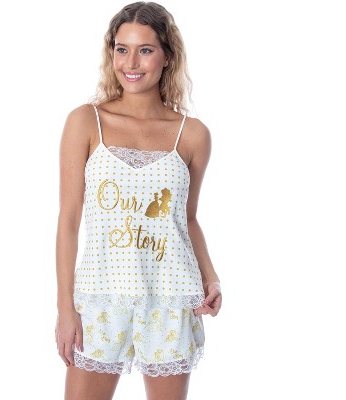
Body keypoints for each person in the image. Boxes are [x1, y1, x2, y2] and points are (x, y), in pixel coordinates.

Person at [55, 2, 222, 399]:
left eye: (145, 50)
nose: (131, 63)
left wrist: (211, 278)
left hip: (169, 298)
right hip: (100, 298)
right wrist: (65, 307)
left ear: (167, 56)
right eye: (122, 49)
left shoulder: (192, 134)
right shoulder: (86, 122)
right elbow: (69, 219)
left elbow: (188, 219)